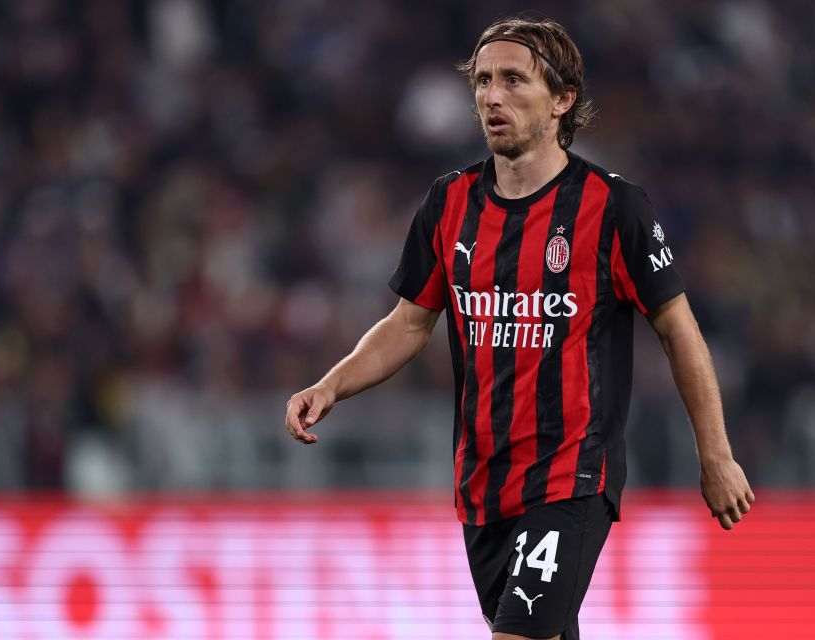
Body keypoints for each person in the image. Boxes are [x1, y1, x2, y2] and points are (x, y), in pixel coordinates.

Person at [285, 17, 754, 640]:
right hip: (483, 485)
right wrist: (331, 386)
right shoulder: (448, 204)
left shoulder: (613, 208)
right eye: (482, 81)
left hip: (571, 476)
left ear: (562, 100)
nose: (491, 96)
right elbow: (409, 323)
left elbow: (679, 330)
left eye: (513, 80)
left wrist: (715, 455)